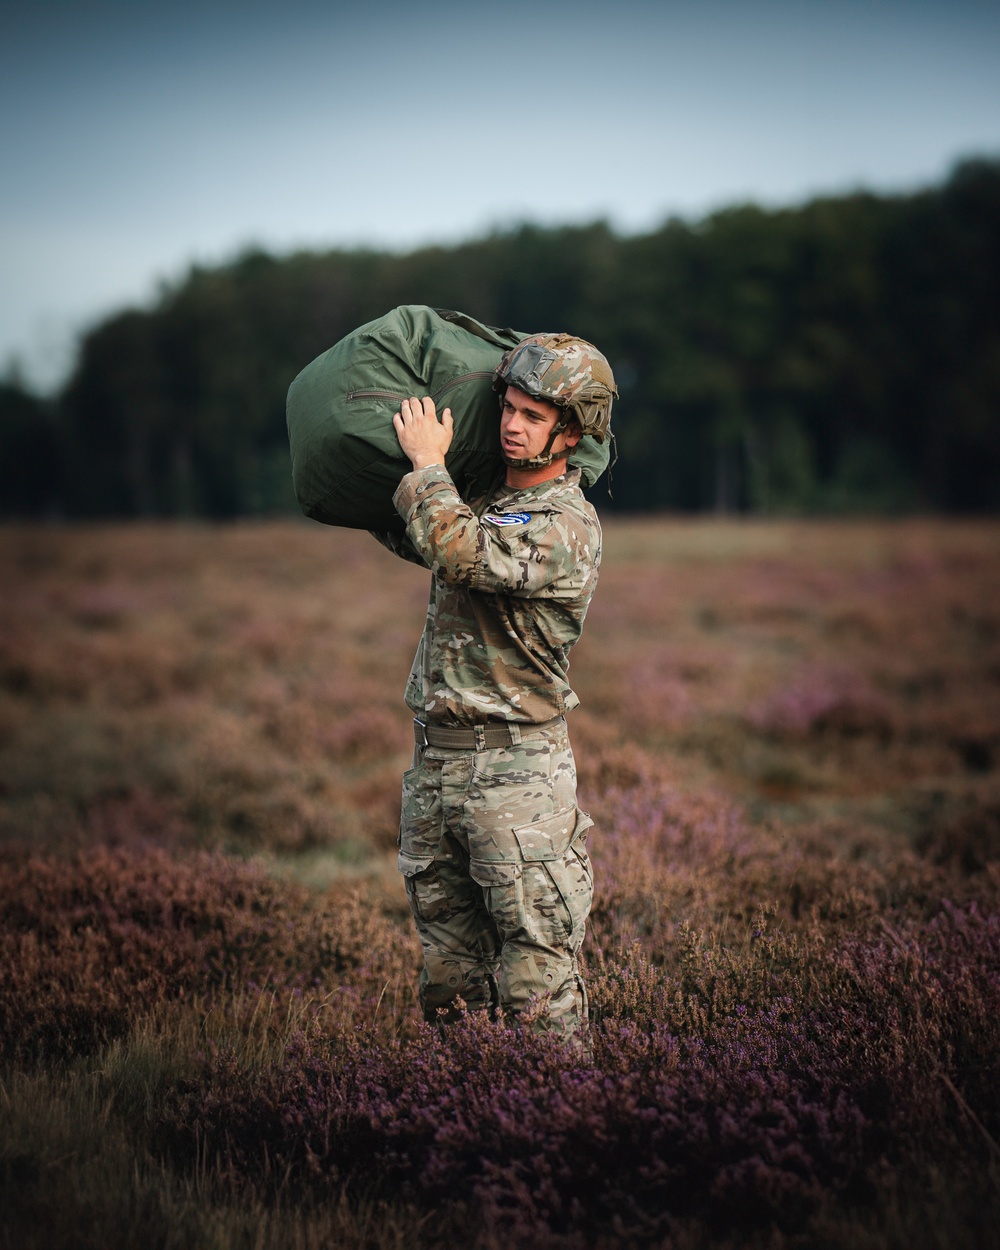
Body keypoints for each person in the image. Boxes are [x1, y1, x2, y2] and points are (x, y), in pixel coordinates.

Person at [375, 333, 616, 1037]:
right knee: (449, 986)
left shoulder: (565, 525)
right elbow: (420, 530)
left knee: (537, 988)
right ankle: (471, 1128)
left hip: (518, 775)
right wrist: (427, 473)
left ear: (572, 431)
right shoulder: (475, 497)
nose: (512, 424)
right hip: (438, 764)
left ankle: (558, 1134)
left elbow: (459, 552)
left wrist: (426, 464)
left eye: (533, 416)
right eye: (507, 409)